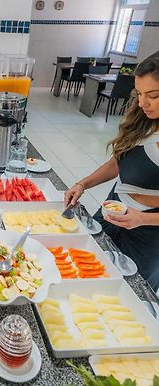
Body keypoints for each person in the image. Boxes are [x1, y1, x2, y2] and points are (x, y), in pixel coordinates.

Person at [65, 51, 159, 292]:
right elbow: (120, 162)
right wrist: (83, 184)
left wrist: (142, 219)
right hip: (113, 210)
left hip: (147, 234)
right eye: (139, 94)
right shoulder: (143, 118)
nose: (143, 103)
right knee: (81, 269)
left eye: (153, 95)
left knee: (123, 294)